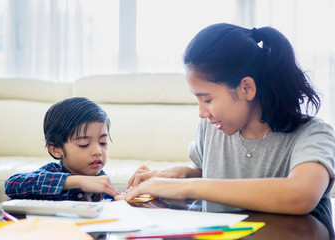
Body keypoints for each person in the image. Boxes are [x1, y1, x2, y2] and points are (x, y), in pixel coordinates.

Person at [125, 23, 335, 215]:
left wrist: (186, 186)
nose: (201, 112)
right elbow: (211, 173)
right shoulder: (211, 128)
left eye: (207, 99)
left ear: (246, 88)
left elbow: (300, 196)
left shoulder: (313, 134)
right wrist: (183, 174)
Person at [5, 97, 121, 201]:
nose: (98, 151)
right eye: (83, 144)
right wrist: (77, 181)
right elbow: (11, 185)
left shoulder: (102, 178)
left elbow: (116, 201)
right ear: (56, 149)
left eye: (103, 142)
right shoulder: (52, 171)